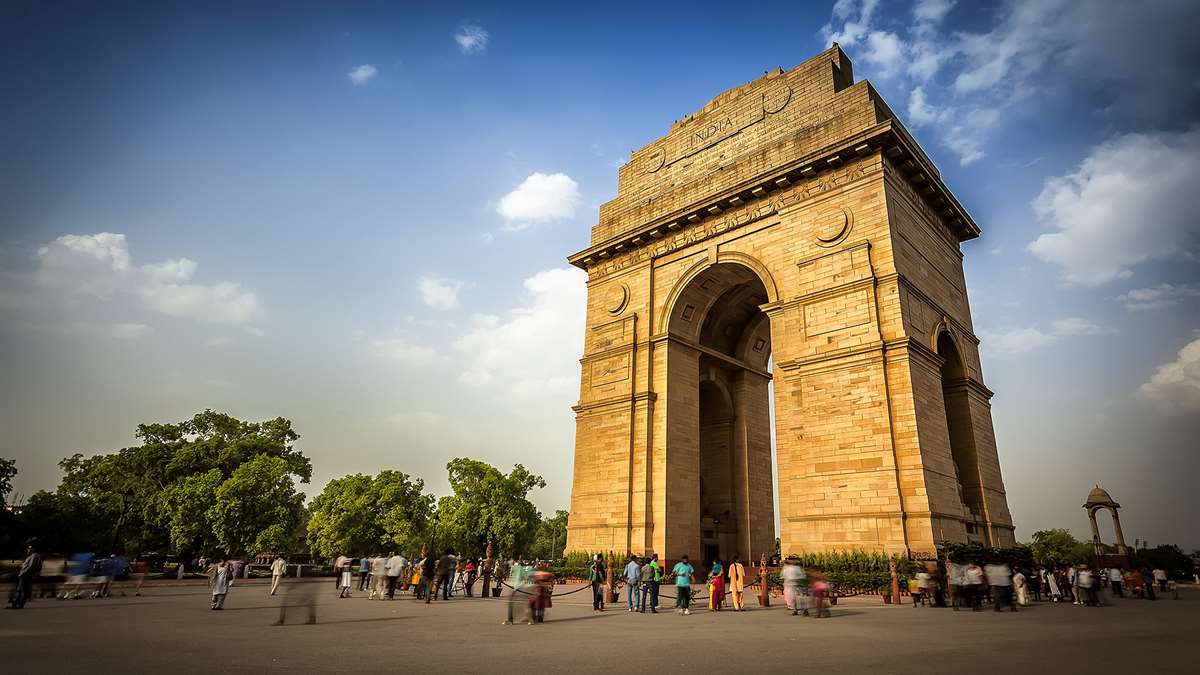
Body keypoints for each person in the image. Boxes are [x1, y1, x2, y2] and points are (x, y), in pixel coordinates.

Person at [6, 541, 42, 609]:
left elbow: (31, 566)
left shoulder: (34, 555)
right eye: (28, 548)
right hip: (24, 575)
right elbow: (28, 566)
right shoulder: (31, 556)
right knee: (19, 590)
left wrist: (24, 572)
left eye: (30, 548)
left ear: (34, 549)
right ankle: (15, 604)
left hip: (26, 575)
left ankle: (20, 605)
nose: (28, 549)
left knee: (23, 590)